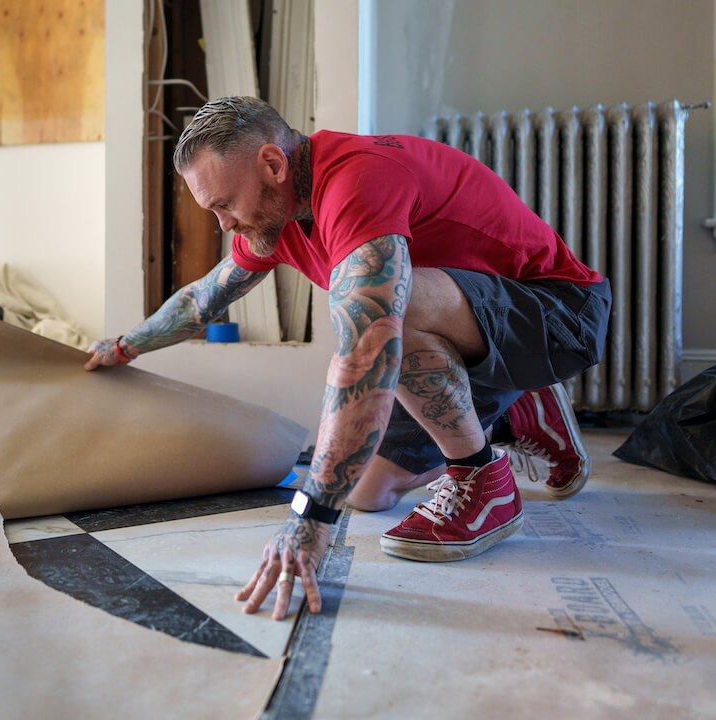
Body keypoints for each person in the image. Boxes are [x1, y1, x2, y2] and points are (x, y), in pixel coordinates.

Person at [84, 96, 611, 622]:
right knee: (364, 489)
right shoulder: (278, 214)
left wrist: (310, 519)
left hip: (561, 315)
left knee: (387, 310)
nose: (224, 225)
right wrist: (125, 346)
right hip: (475, 331)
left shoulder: (358, 182)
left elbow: (367, 355)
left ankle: (481, 480)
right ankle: (517, 413)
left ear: (273, 164)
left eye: (225, 205)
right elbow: (205, 298)